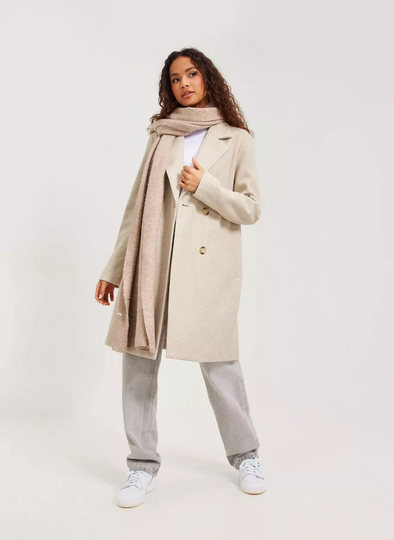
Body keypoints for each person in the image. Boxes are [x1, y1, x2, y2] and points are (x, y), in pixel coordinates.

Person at [95, 47, 266, 508]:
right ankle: (141, 465)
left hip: (206, 272)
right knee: (137, 365)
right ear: (168, 87)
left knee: (221, 366)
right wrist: (114, 269)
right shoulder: (161, 136)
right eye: (175, 78)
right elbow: (136, 208)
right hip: (151, 266)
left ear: (207, 78)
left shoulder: (236, 138)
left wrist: (205, 186)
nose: (184, 83)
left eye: (191, 74)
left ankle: (246, 456)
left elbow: (251, 209)